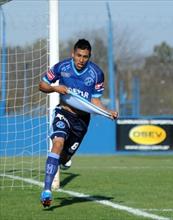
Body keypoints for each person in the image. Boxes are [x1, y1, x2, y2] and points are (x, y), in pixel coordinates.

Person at [39, 39, 118, 207]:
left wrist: (107, 111)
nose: (81, 60)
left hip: (82, 121)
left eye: (85, 57)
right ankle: (46, 190)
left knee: (64, 157)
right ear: (73, 54)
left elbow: (95, 101)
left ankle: (64, 160)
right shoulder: (62, 67)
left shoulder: (96, 74)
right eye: (79, 55)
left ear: (89, 57)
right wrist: (55, 88)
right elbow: (42, 85)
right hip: (64, 112)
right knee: (58, 143)